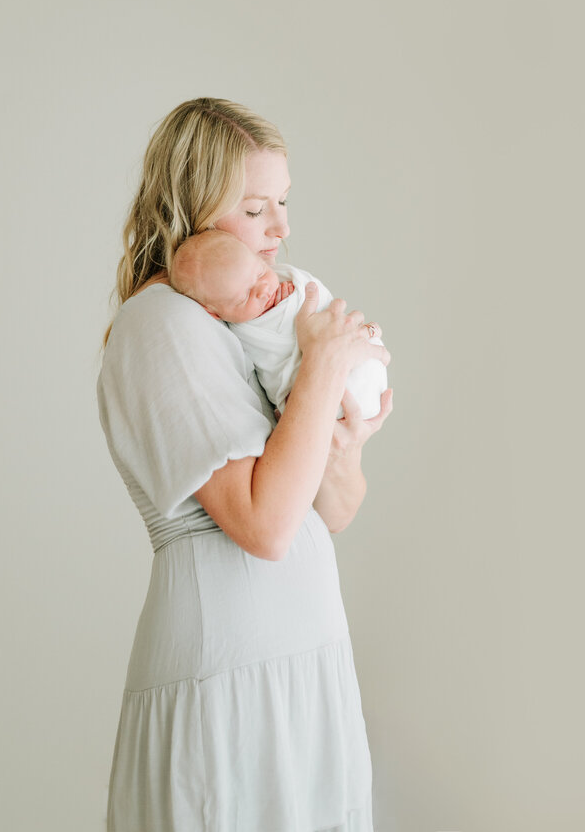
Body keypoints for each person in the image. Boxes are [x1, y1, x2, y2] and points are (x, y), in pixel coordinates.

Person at [97, 97, 393, 832]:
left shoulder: (254, 319)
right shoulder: (159, 322)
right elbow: (263, 525)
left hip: (305, 659)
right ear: (194, 206)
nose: (283, 229)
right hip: (233, 672)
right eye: (257, 208)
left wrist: (343, 441)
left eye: (283, 204)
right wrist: (325, 364)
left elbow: (334, 509)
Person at [169, 228, 389, 419]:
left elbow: (318, 298)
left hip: (355, 364)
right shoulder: (241, 333)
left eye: (260, 273)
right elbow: (272, 364)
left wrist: (292, 300)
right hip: (324, 399)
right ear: (214, 313)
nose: (264, 290)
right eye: (244, 297)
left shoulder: (286, 278)